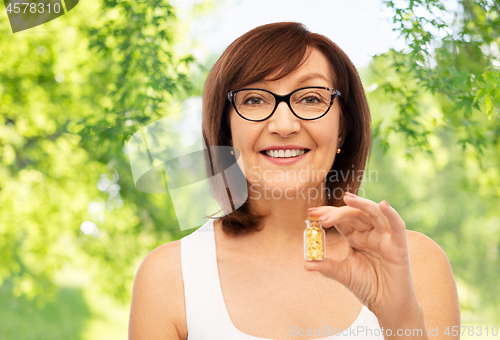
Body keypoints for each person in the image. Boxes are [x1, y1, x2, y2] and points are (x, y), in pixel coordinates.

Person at [128, 22, 460, 340]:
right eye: (254, 100)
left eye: (311, 98)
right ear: (226, 130)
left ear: (343, 126)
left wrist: (400, 321)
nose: (284, 124)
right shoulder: (170, 276)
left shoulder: (416, 265)